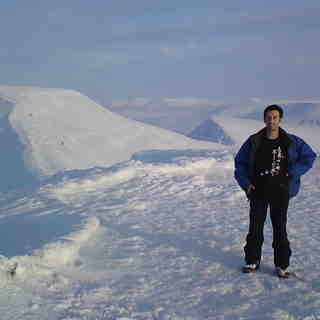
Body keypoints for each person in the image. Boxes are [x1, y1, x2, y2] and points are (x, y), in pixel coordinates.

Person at [234, 104, 317, 278]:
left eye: (275, 117)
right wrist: (246, 184)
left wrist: (293, 173)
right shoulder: (254, 141)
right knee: (255, 228)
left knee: (280, 228)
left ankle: (282, 265)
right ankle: (252, 260)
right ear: (264, 119)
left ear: (280, 119)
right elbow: (240, 163)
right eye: (269, 117)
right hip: (258, 191)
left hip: (281, 191)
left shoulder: (291, 141)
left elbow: (309, 156)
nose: (271, 121)